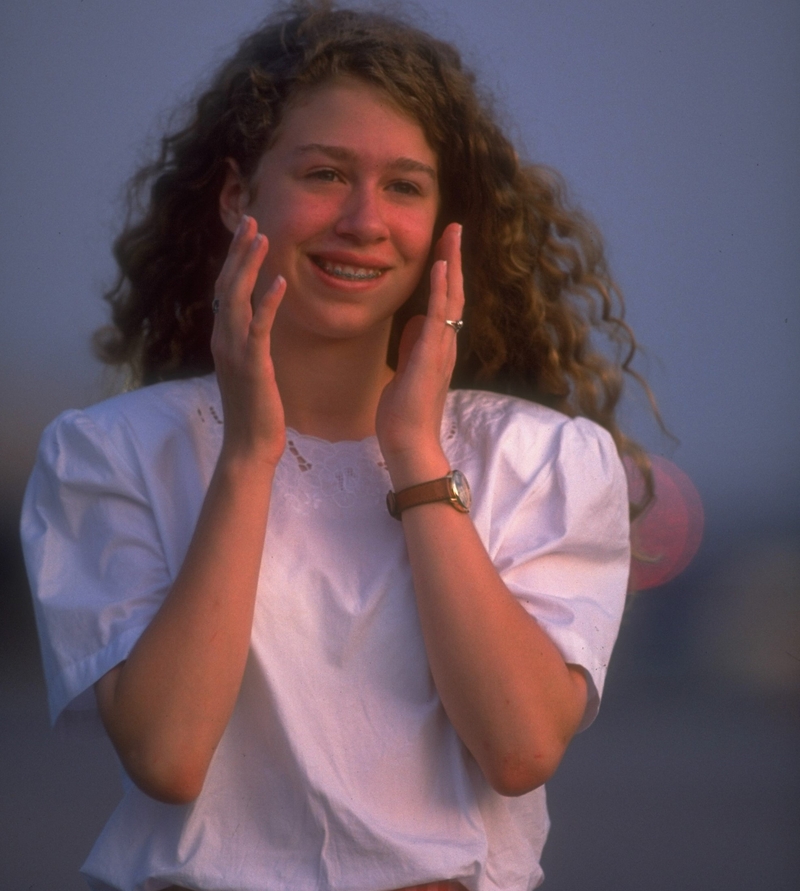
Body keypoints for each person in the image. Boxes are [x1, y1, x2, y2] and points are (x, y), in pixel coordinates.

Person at [21, 3, 655, 889]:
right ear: (239, 194)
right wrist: (248, 454)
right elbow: (167, 756)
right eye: (325, 173)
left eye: (404, 185)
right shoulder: (107, 453)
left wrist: (415, 453)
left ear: (443, 222)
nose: (363, 219)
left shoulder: (540, 457)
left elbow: (518, 747)